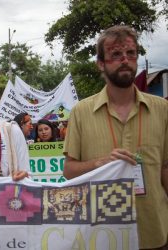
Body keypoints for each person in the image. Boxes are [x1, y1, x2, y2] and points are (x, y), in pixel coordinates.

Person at [63, 25, 168, 249]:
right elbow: (68, 171)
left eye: (131, 53)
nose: (125, 60)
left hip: (154, 232)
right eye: (116, 54)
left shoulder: (162, 109)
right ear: (101, 63)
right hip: (102, 235)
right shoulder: (81, 111)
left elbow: (165, 168)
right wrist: (101, 163)